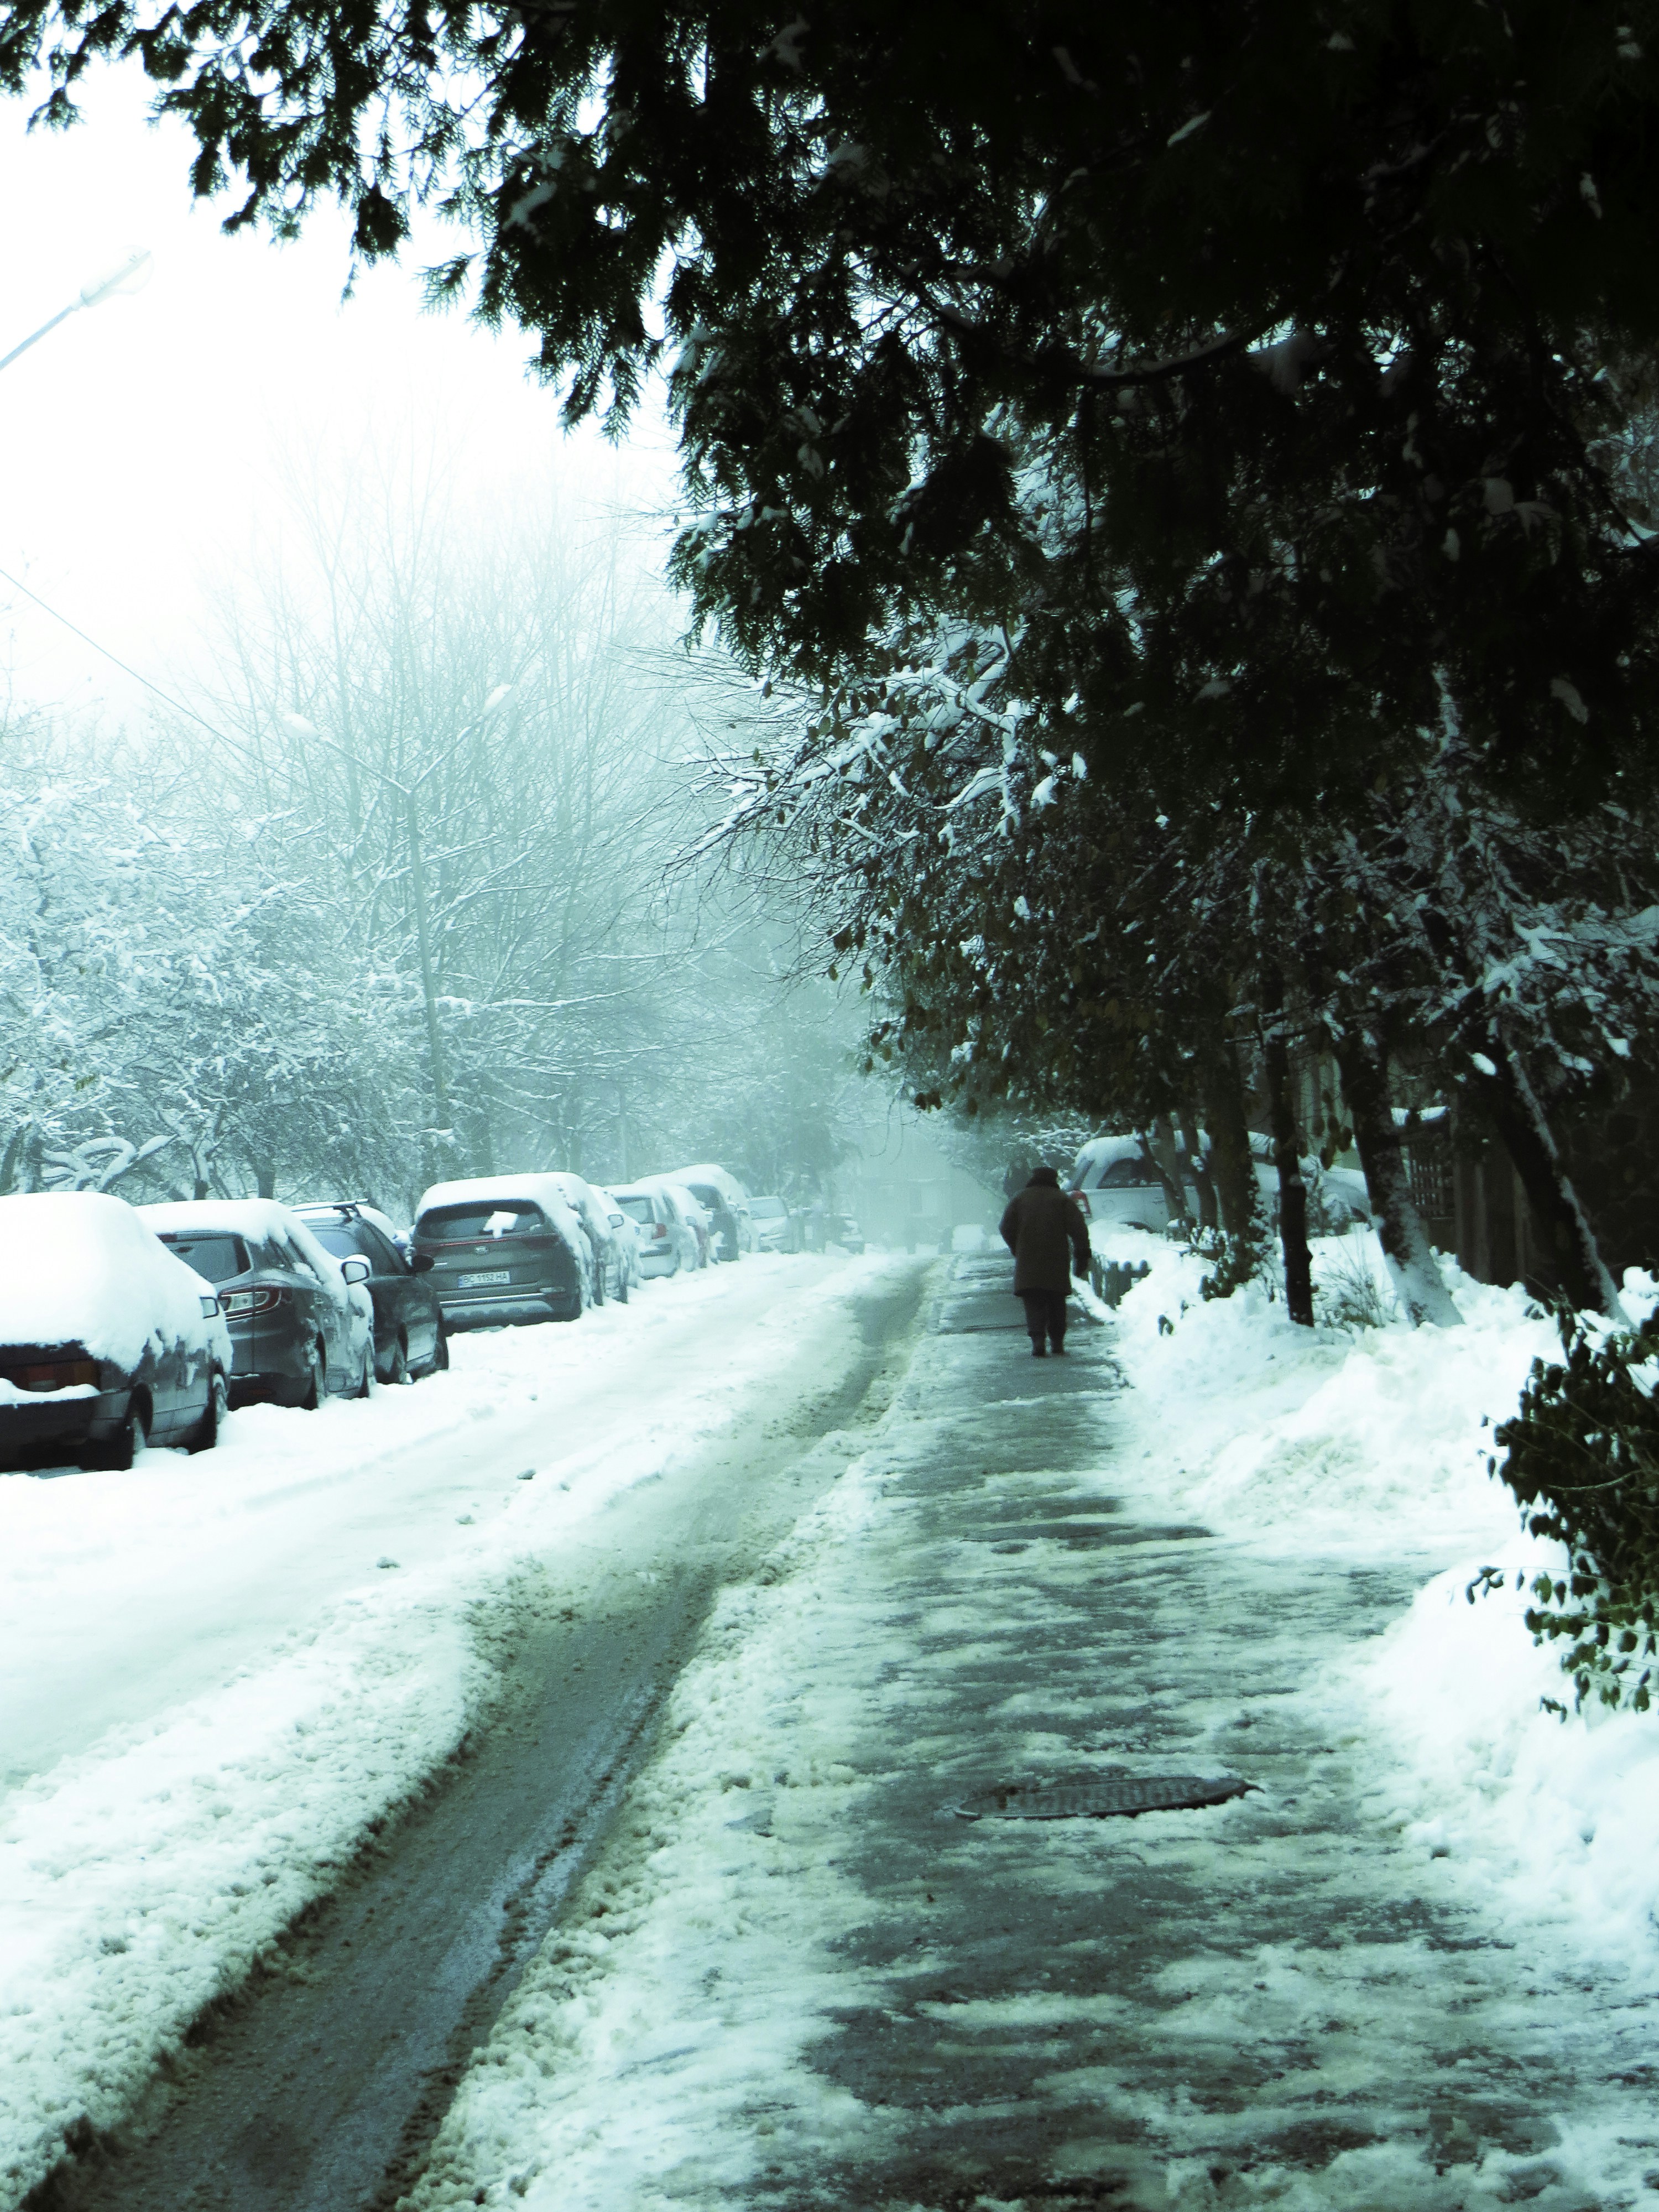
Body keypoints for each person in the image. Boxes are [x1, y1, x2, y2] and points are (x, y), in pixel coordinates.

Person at [998, 1165, 1091, 1357]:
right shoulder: (1062, 1200)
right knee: (1056, 1300)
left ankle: (1038, 1340)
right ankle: (1057, 1342)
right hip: (1057, 1259)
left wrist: (1017, 1247)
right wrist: (1082, 1254)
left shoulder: (1020, 1198)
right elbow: (1079, 1229)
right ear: (1054, 1179)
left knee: (1034, 1300)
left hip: (1028, 1260)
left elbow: (1005, 1227)